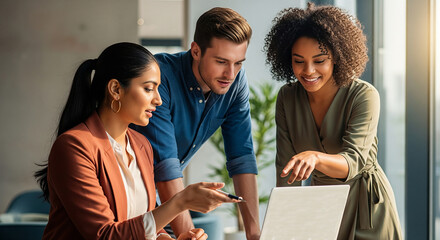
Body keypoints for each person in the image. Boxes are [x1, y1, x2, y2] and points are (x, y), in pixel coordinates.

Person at [34, 42, 238, 240]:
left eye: (158, 89)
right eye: (149, 88)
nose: (158, 99)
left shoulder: (142, 145)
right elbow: (105, 235)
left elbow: (145, 225)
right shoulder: (74, 147)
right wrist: (179, 202)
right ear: (115, 89)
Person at [264, 3, 402, 240]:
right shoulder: (287, 97)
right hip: (324, 207)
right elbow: (285, 171)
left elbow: (354, 161)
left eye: (319, 61)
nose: (308, 71)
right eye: (299, 61)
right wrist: (283, 227)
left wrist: (315, 157)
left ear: (337, 57)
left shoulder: (363, 95)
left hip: (367, 209)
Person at [131, 7, 260, 240]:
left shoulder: (235, 82)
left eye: (238, 63)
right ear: (196, 51)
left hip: (166, 202)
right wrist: (188, 235)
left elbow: (242, 158)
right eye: (221, 61)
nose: (230, 74)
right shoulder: (161, 77)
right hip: (130, 198)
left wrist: (255, 234)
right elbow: (166, 167)